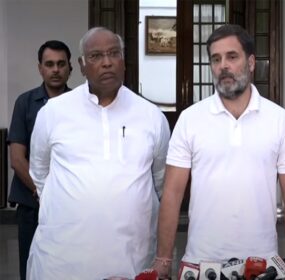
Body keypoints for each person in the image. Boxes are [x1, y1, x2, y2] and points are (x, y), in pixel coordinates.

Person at [153, 24, 285, 277]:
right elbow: (172, 192)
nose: (223, 65)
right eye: (216, 59)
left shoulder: (279, 119)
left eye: (232, 57)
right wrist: (163, 259)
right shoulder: (191, 119)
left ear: (251, 62)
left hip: (263, 262)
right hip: (200, 262)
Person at [27, 27, 170, 279]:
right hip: (60, 260)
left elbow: (160, 179)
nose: (106, 62)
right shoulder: (53, 112)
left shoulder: (151, 116)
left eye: (113, 53)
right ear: (81, 66)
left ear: (123, 61)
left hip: (130, 259)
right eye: (95, 56)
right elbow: (40, 171)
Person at [8, 40, 72, 280]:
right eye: (49, 64)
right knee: (31, 266)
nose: (55, 69)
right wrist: (42, 192)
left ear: (70, 68)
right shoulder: (25, 103)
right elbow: (17, 158)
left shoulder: (80, 104)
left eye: (61, 64)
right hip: (32, 202)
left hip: (68, 203)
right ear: (40, 68)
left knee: (65, 266)